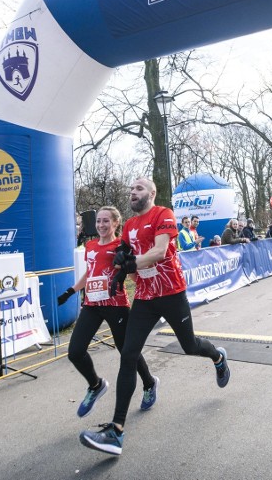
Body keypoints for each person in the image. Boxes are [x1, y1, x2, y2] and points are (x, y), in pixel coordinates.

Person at [79, 178, 230, 456]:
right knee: (128, 354)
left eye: (138, 188)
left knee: (190, 346)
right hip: (145, 298)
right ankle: (116, 431)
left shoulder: (164, 214)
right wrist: (119, 266)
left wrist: (132, 262)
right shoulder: (129, 226)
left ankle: (218, 357)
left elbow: (160, 252)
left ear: (152, 193)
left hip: (172, 294)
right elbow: (122, 251)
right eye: (131, 189)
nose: (132, 192)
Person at [58, 207, 159, 418]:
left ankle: (149, 383)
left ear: (115, 223)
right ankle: (95, 385)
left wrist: (139, 282)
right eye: (98, 221)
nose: (101, 225)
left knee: (126, 351)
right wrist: (71, 291)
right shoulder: (90, 245)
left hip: (116, 305)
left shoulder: (121, 245)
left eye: (106, 221)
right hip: (92, 304)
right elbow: (90, 272)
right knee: (75, 352)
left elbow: (132, 272)